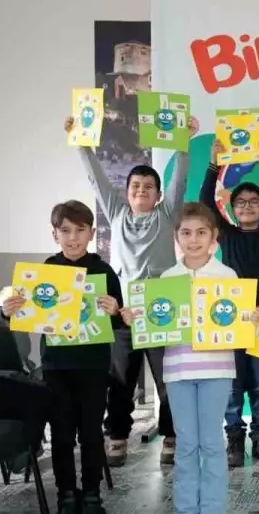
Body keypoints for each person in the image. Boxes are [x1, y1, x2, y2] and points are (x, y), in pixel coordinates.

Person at [66, 113, 198, 466]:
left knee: (167, 379)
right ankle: (118, 436)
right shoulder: (116, 213)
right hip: (122, 312)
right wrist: (81, 143)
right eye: (135, 186)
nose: (141, 191)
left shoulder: (166, 214)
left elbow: (180, 179)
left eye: (148, 187)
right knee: (121, 380)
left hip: (159, 310)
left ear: (158, 195)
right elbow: (96, 179)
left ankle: (171, 436)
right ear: (126, 193)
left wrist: (184, 142)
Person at [0, 200, 122, 514]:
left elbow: (121, 321)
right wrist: (8, 312)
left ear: (92, 233)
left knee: (91, 433)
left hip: (93, 365)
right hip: (56, 366)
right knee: (62, 435)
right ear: (55, 235)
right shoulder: (45, 272)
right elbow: (20, 315)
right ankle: (66, 497)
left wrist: (115, 310)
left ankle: (92, 497)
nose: (73, 237)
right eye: (65, 231)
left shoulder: (104, 272)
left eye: (80, 230)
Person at [120, 203, 236, 514]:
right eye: (186, 233)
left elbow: (235, 320)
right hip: (178, 370)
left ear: (213, 237)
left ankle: (212, 510)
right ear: (177, 237)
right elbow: (156, 322)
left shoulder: (227, 276)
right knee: (185, 441)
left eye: (201, 232)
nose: (193, 239)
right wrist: (135, 317)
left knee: (211, 441)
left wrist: (249, 317)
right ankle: (185, 510)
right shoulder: (167, 279)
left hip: (216, 370)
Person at [199, 134, 259, 467]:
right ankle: (234, 440)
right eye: (241, 202)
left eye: (254, 202)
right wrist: (213, 164)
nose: (248, 206)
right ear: (232, 209)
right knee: (234, 385)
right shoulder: (227, 234)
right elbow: (205, 202)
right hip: (232, 319)